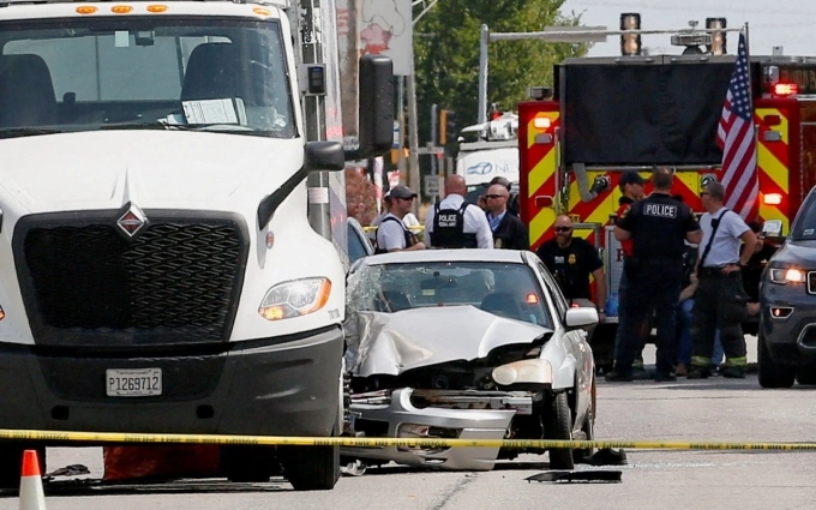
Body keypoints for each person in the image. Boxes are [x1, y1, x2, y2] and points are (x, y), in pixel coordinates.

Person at [607, 168, 702, 382]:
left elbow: (620, 233)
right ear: (671, 184)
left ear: (651, 183)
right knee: (667, 319)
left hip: (641, 270)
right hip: (670, 270)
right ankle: (664, 370)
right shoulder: (682, 209)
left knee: (632, 319)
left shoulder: (637, 208)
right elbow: (695, 238)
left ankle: (623, 369)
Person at [687, 181, 758, 379]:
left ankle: (736, 364)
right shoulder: (704, 220)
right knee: (702, 322)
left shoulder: (730, 219)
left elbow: (751, 239)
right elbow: (703, 248)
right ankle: (702, 364)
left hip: (726, 277)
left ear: (711, 196)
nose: (701, 197)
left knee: (728, 322)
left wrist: (740, 264)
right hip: (708, 277)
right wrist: (697, 270)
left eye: (703, 193)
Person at [611, 170, 647, 378]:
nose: (642, 188)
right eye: (639, 184)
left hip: (639, 266)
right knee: (629, 317)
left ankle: (633, 358)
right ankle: (627, 359)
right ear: (629, 186)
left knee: (640, 316)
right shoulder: (627, 209)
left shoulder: (635, 207)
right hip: (634, 267)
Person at [536, 215, 606, 318]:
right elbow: (536, 275)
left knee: (590, 320)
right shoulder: (546, 249)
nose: (560, 232)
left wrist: (601, 310)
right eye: (557, 229)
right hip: (553, 300)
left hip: (581, 300)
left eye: (565, 229)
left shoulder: (583, 247)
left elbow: (600, 276)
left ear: (572, 230)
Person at [424, 175, 493, 249]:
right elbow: (486, 243)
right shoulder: (476, 212)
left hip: (439, 259)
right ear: (466, 190)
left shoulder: (432, 211)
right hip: (467, 258)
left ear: (445, 190)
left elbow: (427, 242)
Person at [374, 185, 426, 253]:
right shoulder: (391, 225)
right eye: (406, 198)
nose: (410, 202)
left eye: (411, 199)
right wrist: (418, 247)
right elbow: (395, 256)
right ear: (395, 201)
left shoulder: (398, 222)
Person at [484, 184, 529, 250]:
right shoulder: (480, 220)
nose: (489, 199)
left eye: (494, 196)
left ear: (505, 199)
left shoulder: (516, 224)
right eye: (487, 197)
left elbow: (521, 250)